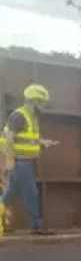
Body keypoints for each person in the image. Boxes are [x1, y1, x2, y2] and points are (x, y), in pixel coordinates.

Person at [0, 84, 59, 236]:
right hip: (20, 162)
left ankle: (36, 225)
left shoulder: (31, 116)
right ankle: (37, 226)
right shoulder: (19, 115)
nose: (44, 106)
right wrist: (10, 161)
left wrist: (43, 142)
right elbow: (8, 140)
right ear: (34, 101)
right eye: (42, 102)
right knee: (31, 193)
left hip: (25, 161)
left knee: (10, 194)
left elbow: (26, 138)